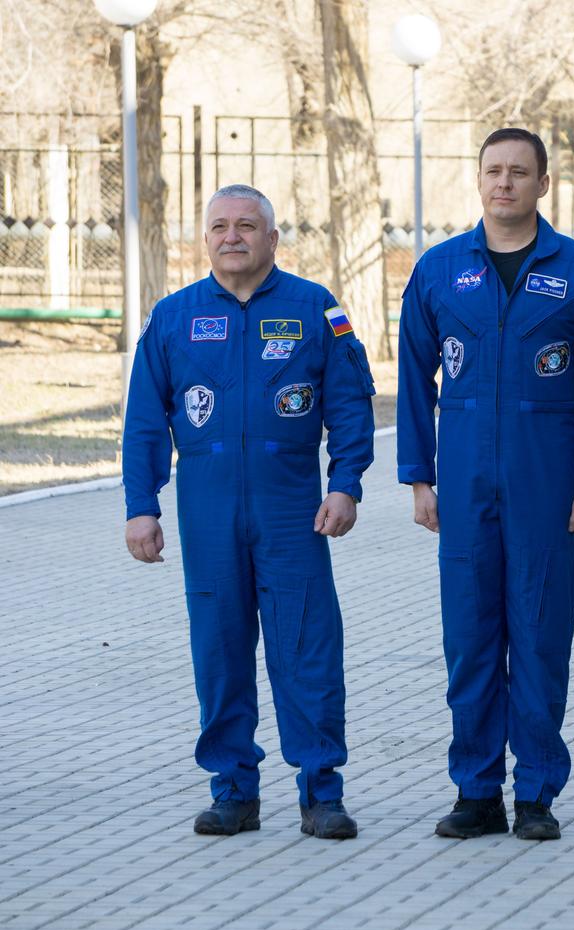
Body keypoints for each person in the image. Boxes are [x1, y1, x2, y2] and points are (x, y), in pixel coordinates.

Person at [397, 128, 574, 841]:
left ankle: (535, 792)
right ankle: (474, 791)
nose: (504, 183)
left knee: (539, 634)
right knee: (469, 638)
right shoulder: (439, 270)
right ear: (478, 179)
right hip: (465, 480)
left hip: (545, 477)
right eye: (493, 171)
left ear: (543, 184)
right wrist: (418, 476)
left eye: (518, 172)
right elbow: (412, 378)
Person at [122, 184, 376, 840]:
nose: (231, 237)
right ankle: (232, 789)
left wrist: (344, 483)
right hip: (206, 511)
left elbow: (349, 403)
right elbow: (146, 422)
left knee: (307, 648)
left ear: (272, 238)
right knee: (220, 650)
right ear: (204, 238)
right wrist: (140, 507)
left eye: (246, 226)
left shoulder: (314, 308)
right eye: (219, 227)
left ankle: (321, 790)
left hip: (291, 509)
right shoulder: (173, 317)